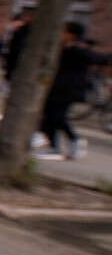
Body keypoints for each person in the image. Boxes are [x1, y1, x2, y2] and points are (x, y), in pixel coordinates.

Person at [36, 22, 111, 160]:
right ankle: (53, 146)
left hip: (68, 89)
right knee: (49, 116)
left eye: (63, 31)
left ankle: (73, 142)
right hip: (56, 88)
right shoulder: (61, 47)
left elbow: (98, 58)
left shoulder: (77, 49)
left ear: (71, 34)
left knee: (57, 117)